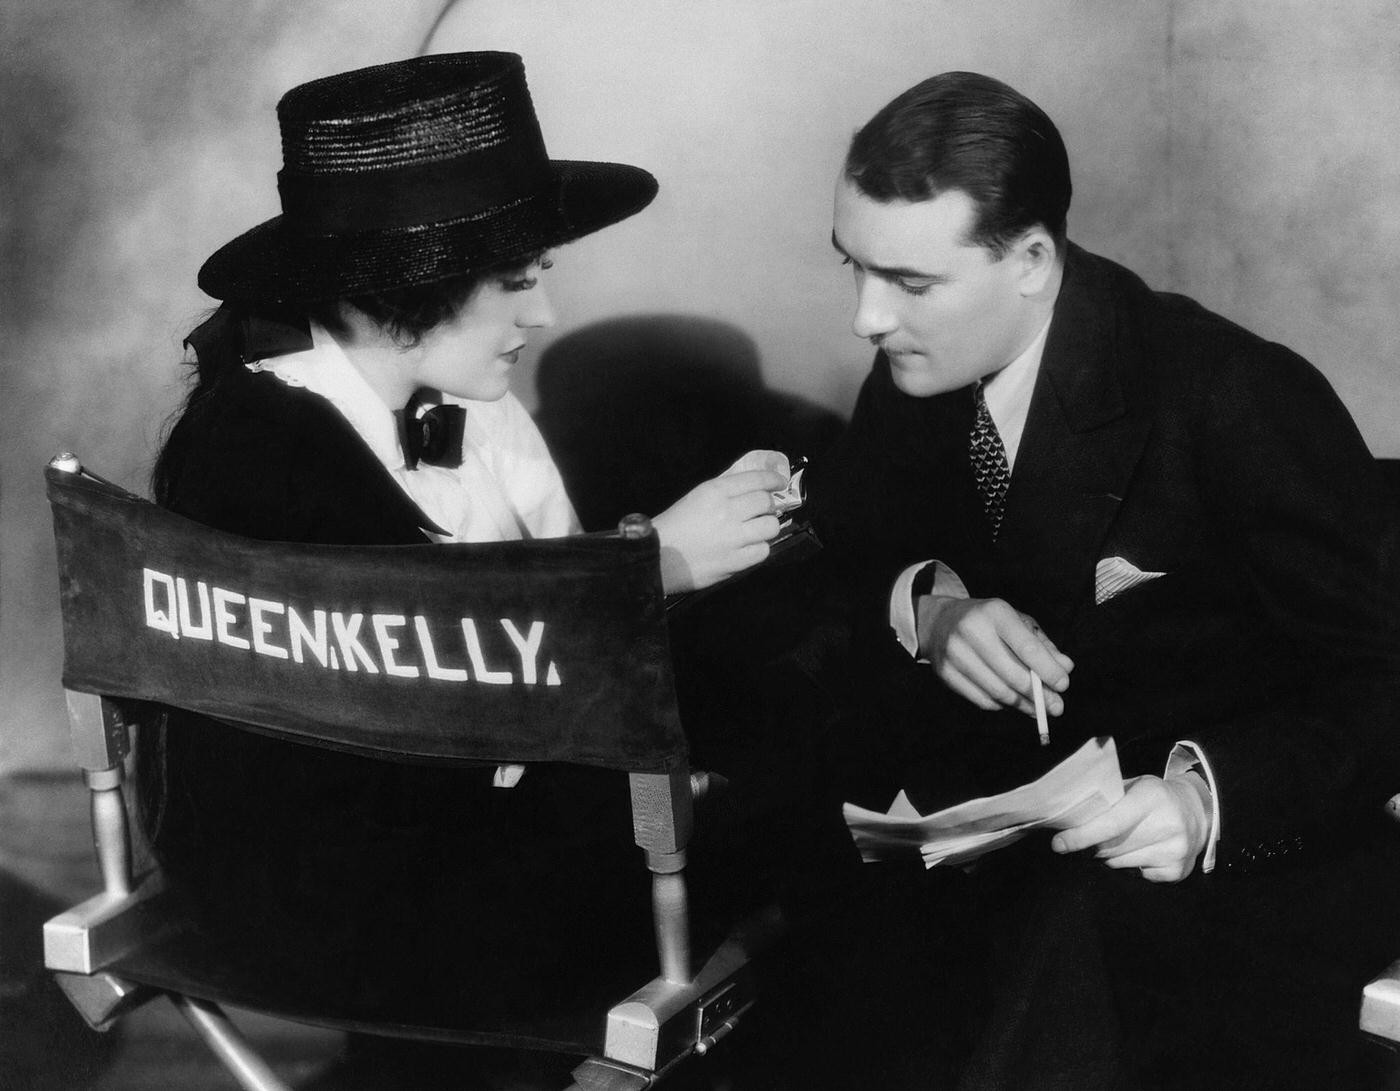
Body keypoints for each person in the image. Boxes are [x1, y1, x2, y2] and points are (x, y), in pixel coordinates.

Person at [136, 51, 788, 1084]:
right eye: (516, 281)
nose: (540, 316)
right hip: (327, 905)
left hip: (440, 845)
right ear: (413, 279)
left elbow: (547, 646)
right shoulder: (258, 445)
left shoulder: (472, 405)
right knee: (794, 844)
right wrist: (646, 567)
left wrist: (661, 567)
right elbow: (428, 679)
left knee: (775, 749)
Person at [800, 70, 1400, 1088]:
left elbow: (1381, 677)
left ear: (1031, 259)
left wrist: (1206, 799)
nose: (863, 316)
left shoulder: (1231, 395)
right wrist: (932, 602)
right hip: (1001, 839)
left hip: (1226, 858)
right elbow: (860, 530)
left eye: (905, 281)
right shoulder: (918, 360)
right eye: (851, 268)